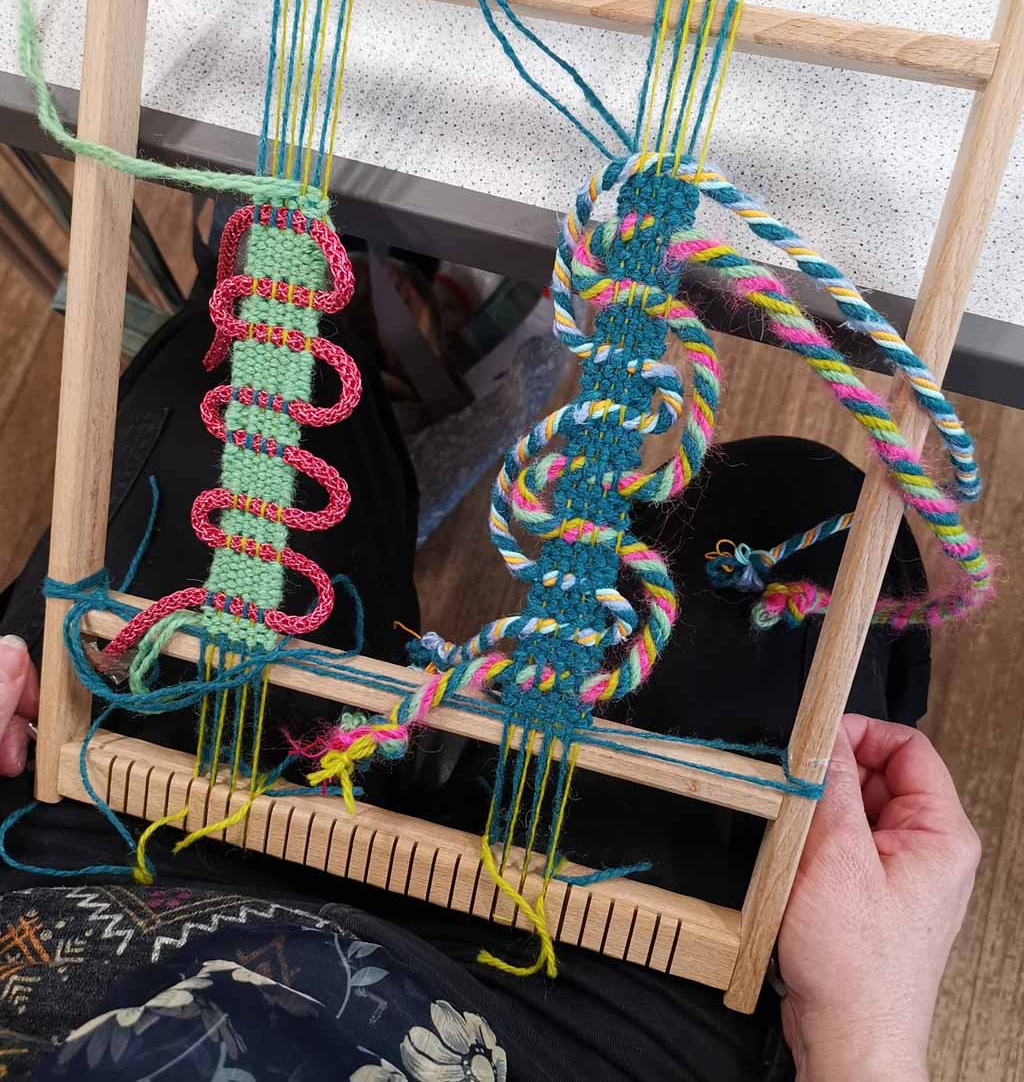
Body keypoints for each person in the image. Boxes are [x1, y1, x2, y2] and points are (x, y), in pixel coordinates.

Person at [0, 235, 980, 1081]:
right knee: (795, 509)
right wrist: (866, 1034)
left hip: (82, 925)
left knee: (245, 345)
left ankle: (386, 388)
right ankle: (402, 399)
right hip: (556, 1036)